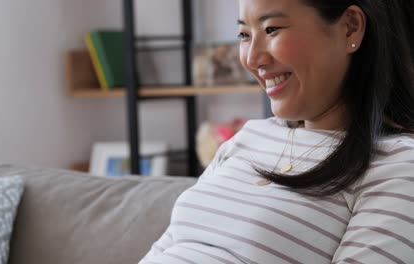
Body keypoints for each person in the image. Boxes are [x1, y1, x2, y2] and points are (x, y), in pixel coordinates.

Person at [140, 0, 414, 263]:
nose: (251, 58)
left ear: (350, 27)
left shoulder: (397, 165)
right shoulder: (250, 137)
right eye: (244, 34)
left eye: (272, 29)